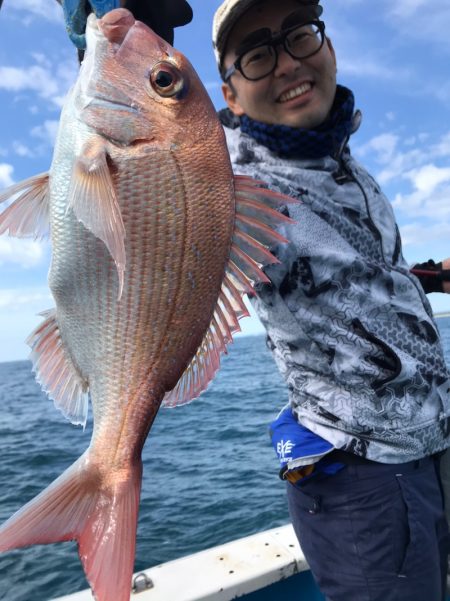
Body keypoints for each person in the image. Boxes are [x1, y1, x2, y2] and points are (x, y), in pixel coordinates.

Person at [211, 0, 450, 600]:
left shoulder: (346, 167)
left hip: (432, 444)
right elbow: (149, 144)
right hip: (361, 480)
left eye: (299, 35)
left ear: (330, 47)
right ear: (231, 97)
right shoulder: (234, 186)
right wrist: (111, 42)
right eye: (259, 55)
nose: (288, 63)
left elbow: (356, 278)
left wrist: (429, 278)